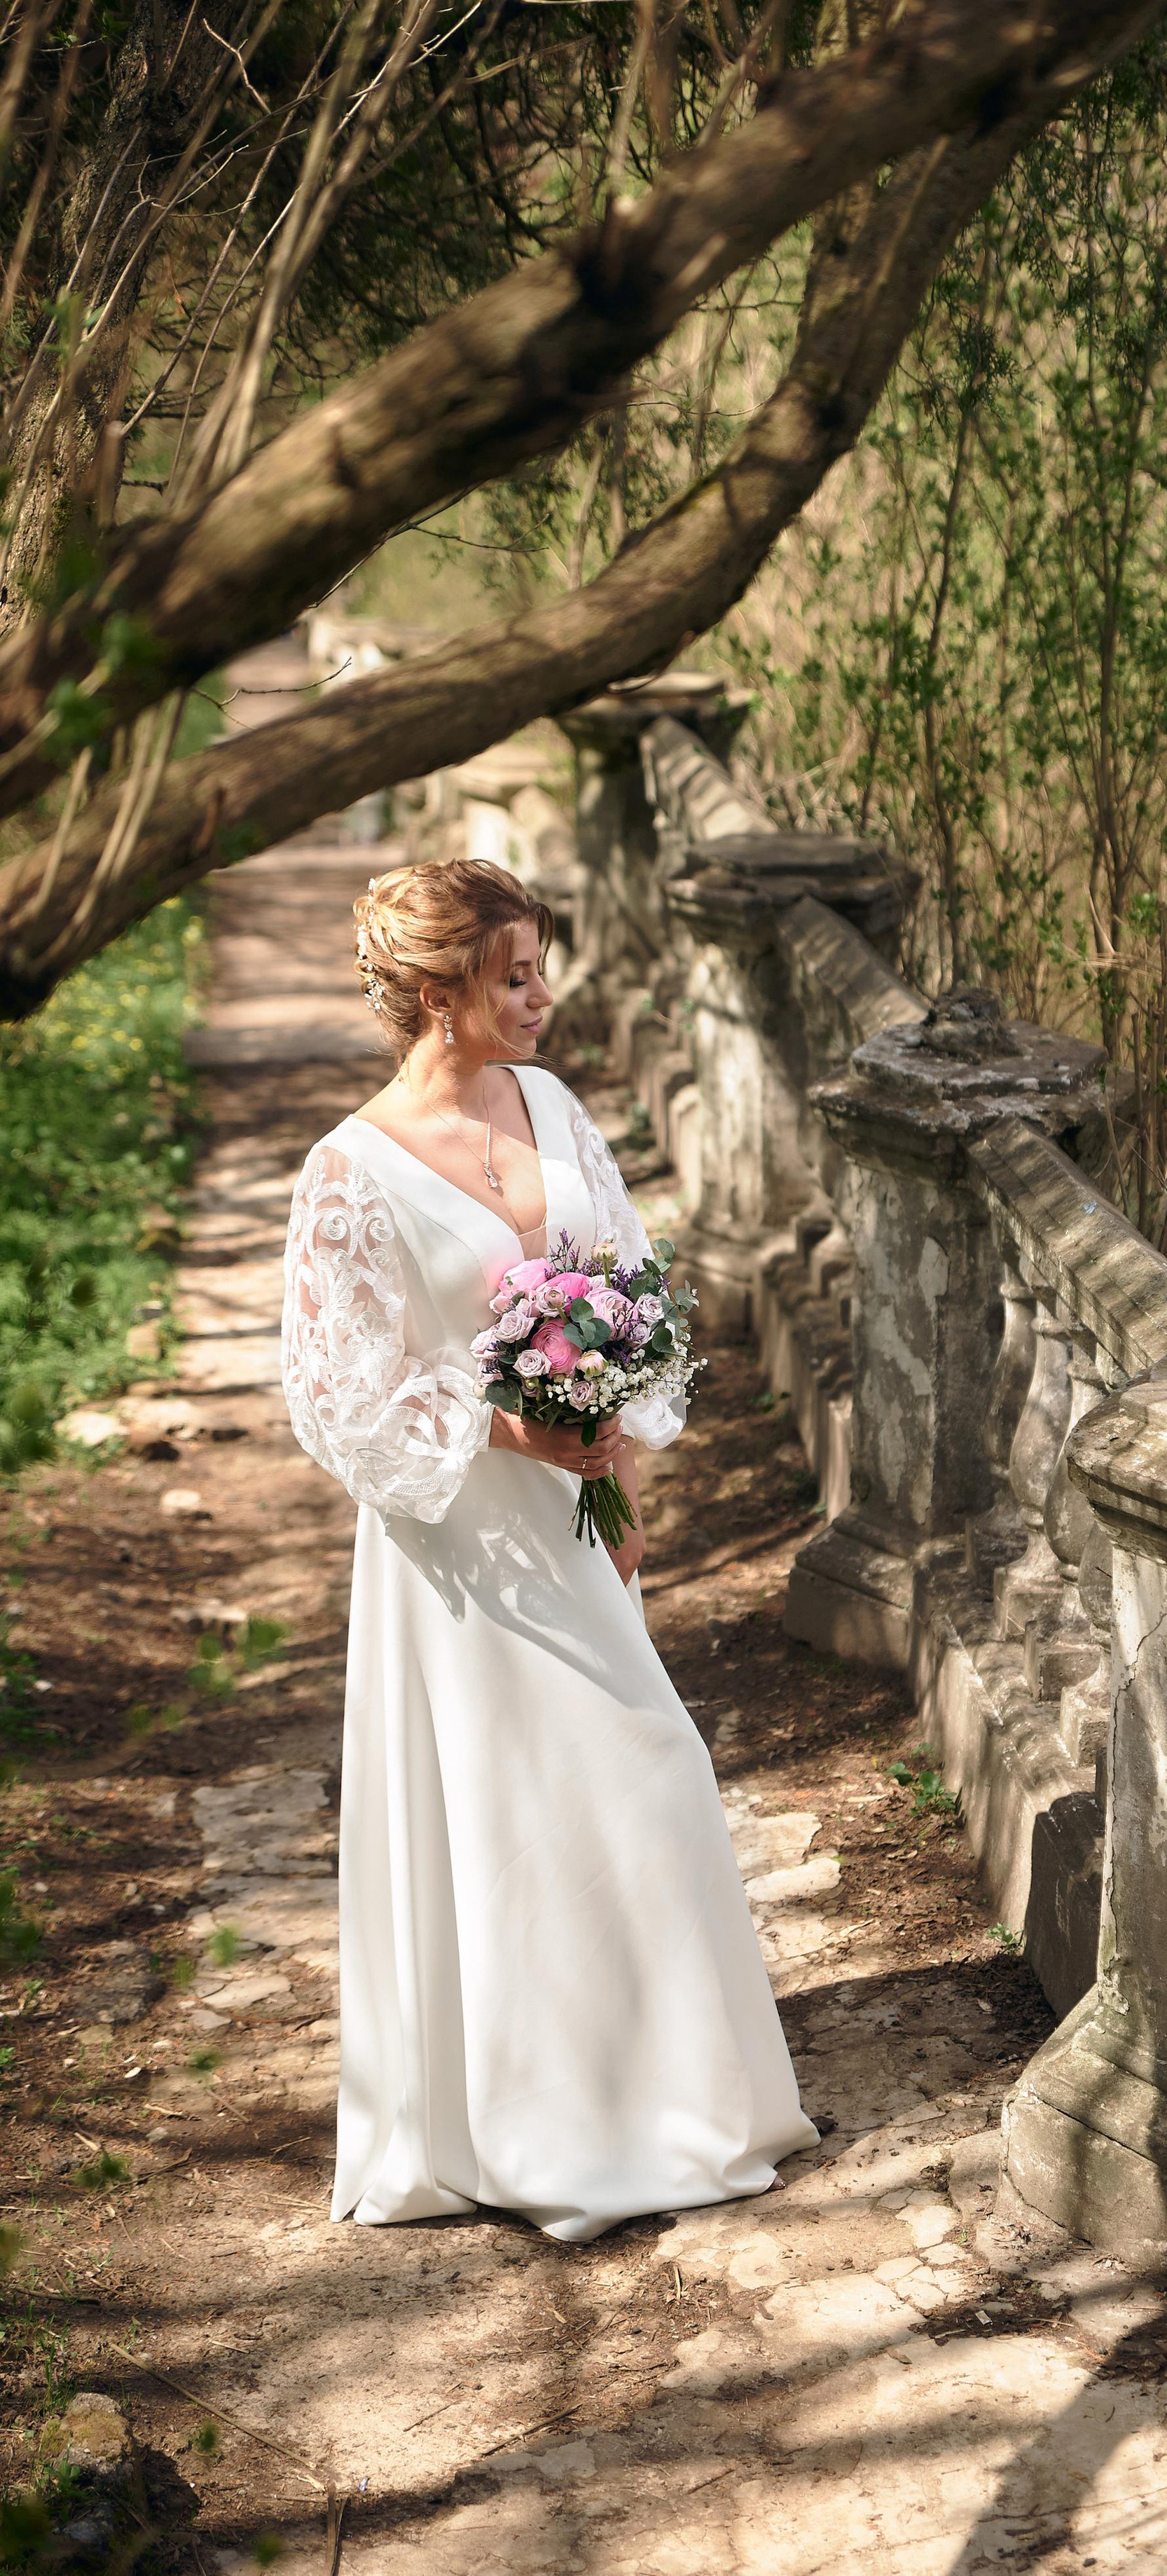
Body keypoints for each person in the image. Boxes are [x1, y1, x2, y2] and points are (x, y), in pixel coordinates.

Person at [279, 857, 814, 2239]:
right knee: (529, 1812)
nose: (542, 995)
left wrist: (618, 1464)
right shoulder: (347, 1176)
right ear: (438, 991)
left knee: (638, 1771)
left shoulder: (555, 1105)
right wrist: (511, 1431)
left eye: (540, 966)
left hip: (579, 1516)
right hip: (458, 1548)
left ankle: (658, 2087)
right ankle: (551, 2124)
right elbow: (339, 1397)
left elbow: (626, 1288)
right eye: (513, 974)